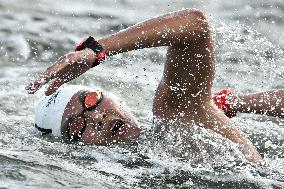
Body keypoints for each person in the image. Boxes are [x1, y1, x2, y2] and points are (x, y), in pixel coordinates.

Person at [25, 9, 284, 163]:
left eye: (91, 100)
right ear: (70, 146)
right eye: (77, 126)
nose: (97, 117)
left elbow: (195, 25)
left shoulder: (175, 118)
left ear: (116, 99)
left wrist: (97, 50)